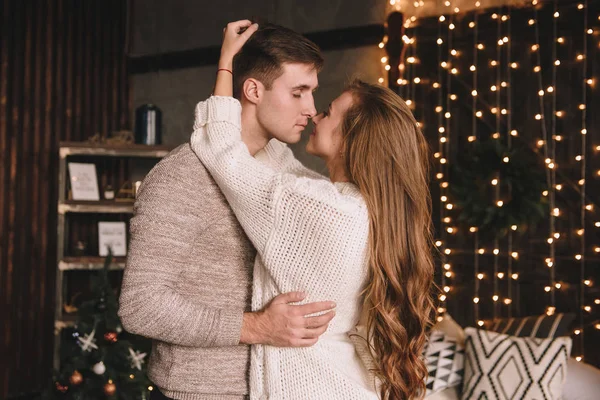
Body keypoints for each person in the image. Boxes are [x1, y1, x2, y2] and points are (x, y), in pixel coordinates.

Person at [190, 20, 436, 400]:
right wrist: (254, 97)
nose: (313, 113)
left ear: (351, 141)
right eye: (301, 94)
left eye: (328, 112)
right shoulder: (358, 207)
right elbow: (275, 161)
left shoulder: (317, 206)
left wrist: (226, 63)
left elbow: (223, 152)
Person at [118, 22, 338, 400]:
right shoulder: (182, 175)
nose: (311, 109)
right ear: (253, 90)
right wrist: (257, 327)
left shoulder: (279, 164)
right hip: (200, 392)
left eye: (312, 93)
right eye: (298, 93)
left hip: (275, 387)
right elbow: (140, 306)